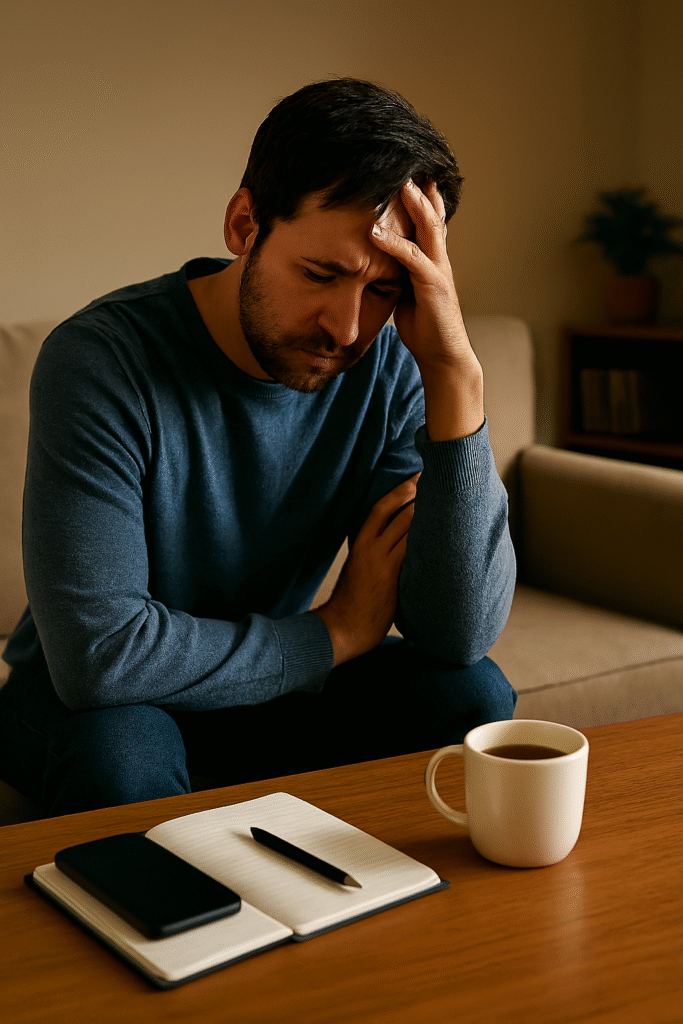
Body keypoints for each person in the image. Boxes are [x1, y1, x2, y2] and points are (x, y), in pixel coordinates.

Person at [0, 78, 517, 816]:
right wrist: (332, 635)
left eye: (383, 290)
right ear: (244, 224)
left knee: (472, 695)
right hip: (88, 704)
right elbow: (99, 658)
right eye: (321, 275)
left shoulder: (391, 366)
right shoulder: (101, 361)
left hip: (261, 694)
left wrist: (453, 372)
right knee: (121, 752)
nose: (345, 328)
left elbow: (455, 634)